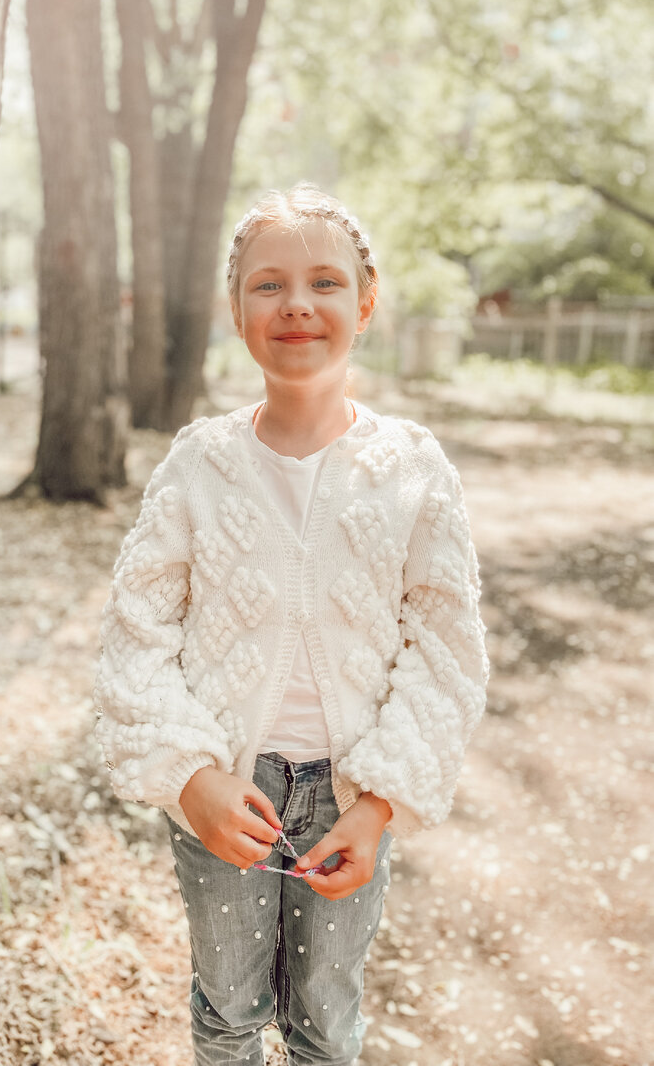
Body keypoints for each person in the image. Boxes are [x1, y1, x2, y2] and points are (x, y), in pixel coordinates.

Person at [95, 182, 489, 1066]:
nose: (298, 304)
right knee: (228, 1008)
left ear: (366, 300)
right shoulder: (199, 466)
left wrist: (382, 802)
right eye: (268, 285)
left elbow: (447, 652)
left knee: (325, 1021)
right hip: (229, 789)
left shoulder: (412, 469)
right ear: (236, 310)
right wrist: (190, 776)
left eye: (325, 282)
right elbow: (137, 635)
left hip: (349, 796)